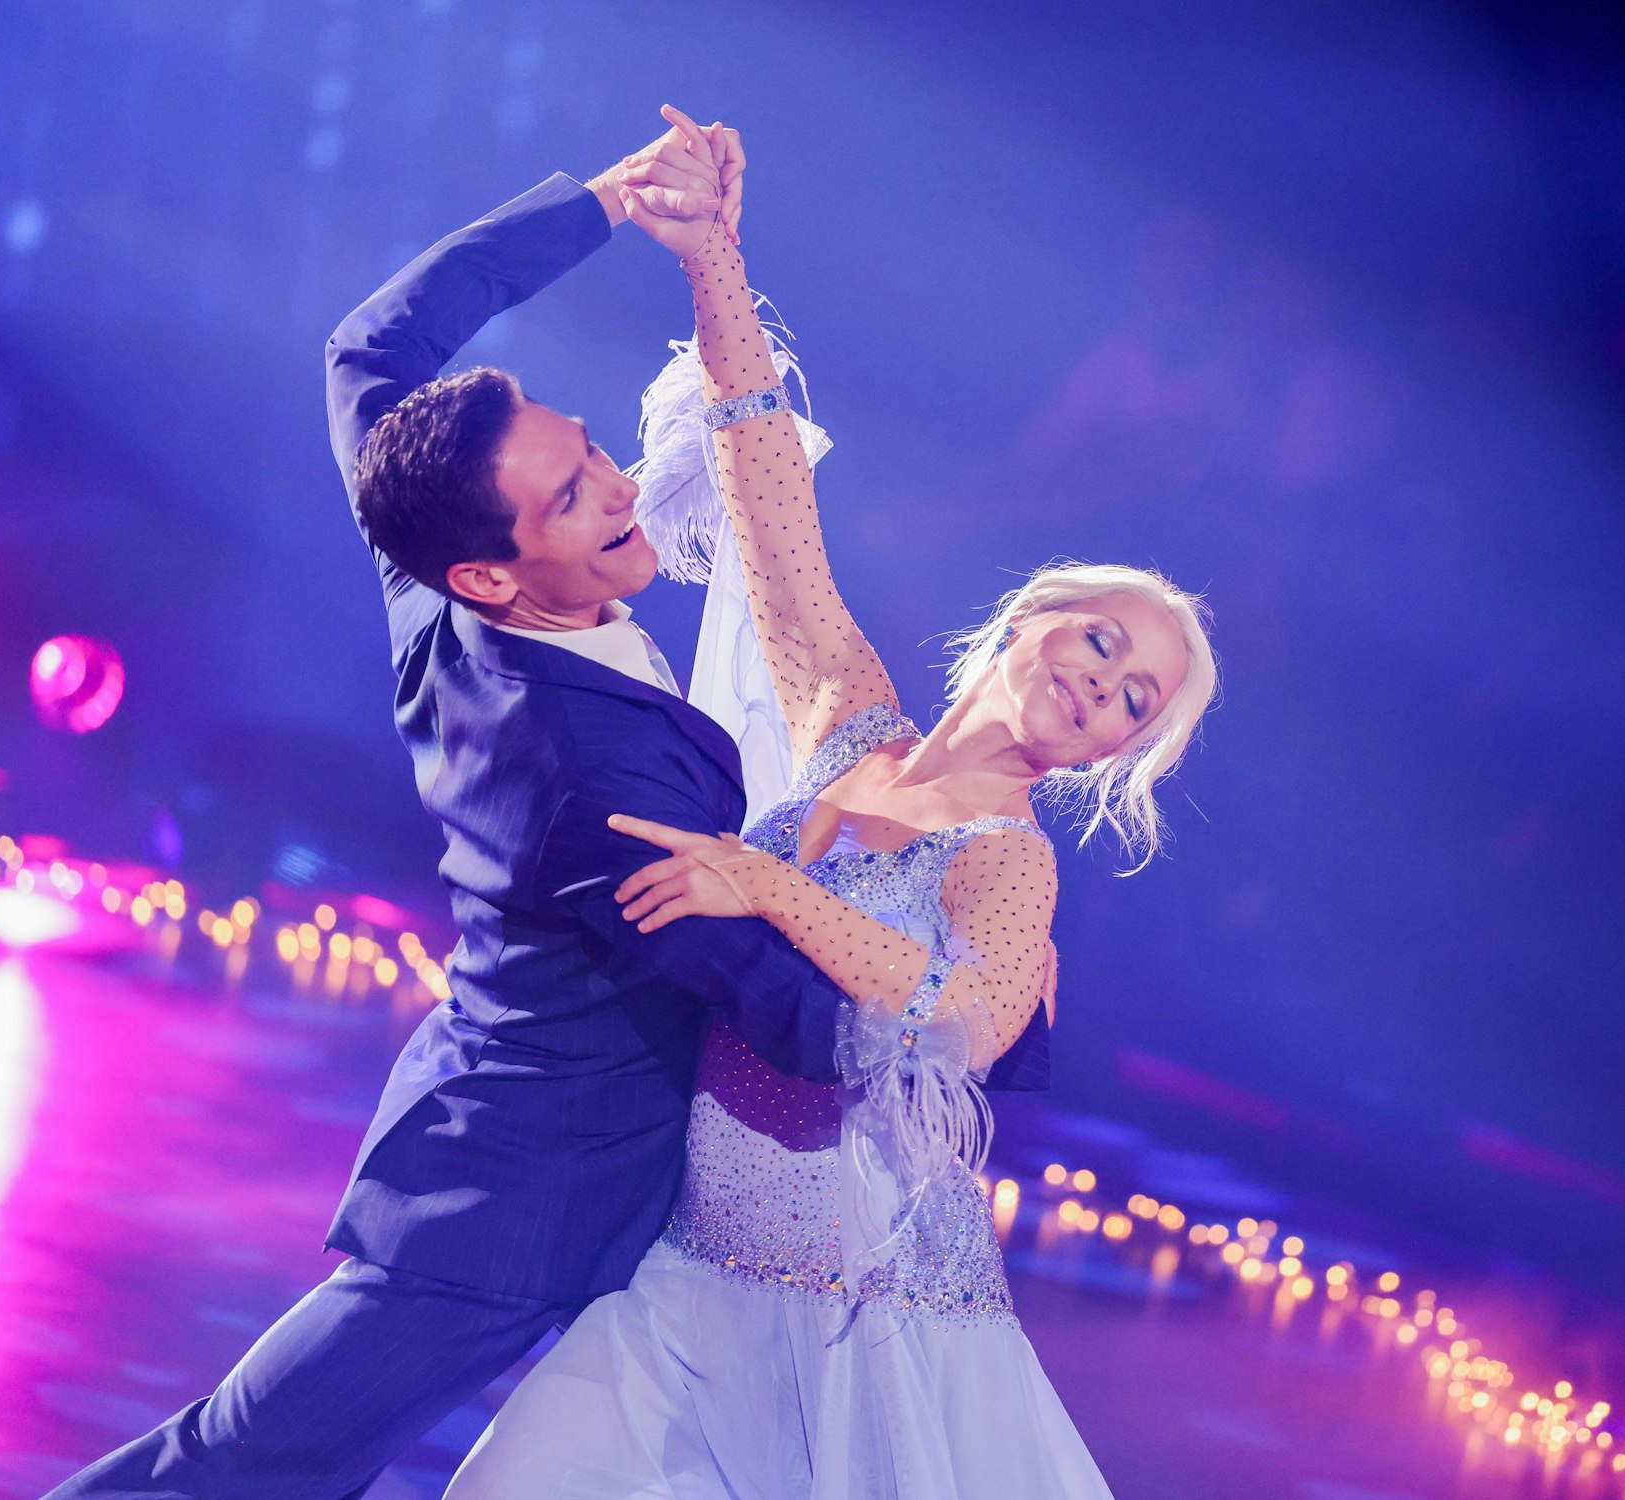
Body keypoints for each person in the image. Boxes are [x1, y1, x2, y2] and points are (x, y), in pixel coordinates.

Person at [47, 110, 1047, 1500]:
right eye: (577, 498)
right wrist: (982, 1004)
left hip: (529, 1143)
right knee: (236, 1469)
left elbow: (368, 351)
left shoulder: (430, 559)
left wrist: (607, 204)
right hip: (515, 1209)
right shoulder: (591, 781)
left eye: (590, 451)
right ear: (493, 575)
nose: (625, 487)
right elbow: (801, 1024)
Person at [446, 118, 1219, 1498]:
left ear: (1118, 750)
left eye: (1135, 701)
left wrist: (770, 885)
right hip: (688, 1277)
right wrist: (713, 258)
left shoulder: (1007, 861)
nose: (1104, 687)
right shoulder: (849, 721)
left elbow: (960, 1026)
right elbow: (767, 497)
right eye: (1103, 644)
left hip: (867, 1326)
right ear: (1032, 620)